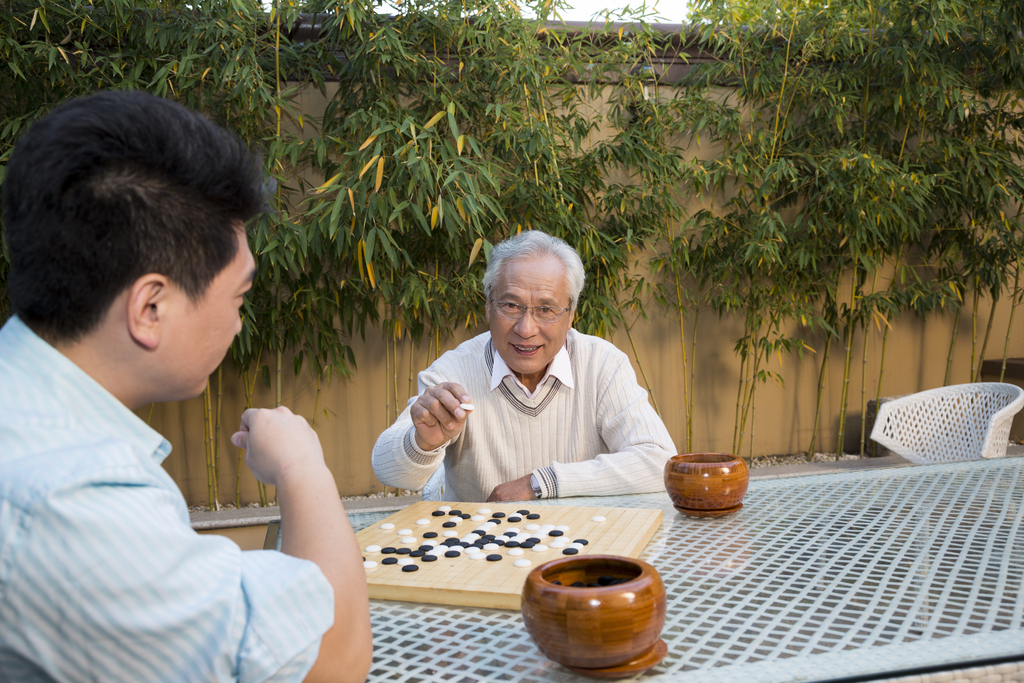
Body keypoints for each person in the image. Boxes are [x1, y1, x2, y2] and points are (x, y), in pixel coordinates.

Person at [0, 91, 371, 683]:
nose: (238, 322)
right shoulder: (73, 499)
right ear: (150, 307)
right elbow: (333, 662)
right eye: (239, 296)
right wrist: (303, 467)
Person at [371, 231, 676, 502]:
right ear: (488, 306)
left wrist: (541, 483)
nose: (526, 328)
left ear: (570, 315)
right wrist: (422, 443)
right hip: (481, 551)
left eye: (546, 309)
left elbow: (659, 461)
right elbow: (391, 473)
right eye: (511, 306)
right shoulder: (454, 371)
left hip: (581, 546)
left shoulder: (602, 364)